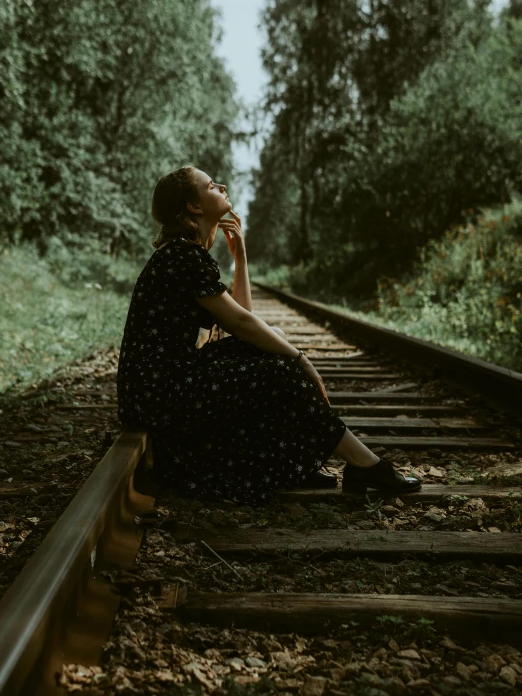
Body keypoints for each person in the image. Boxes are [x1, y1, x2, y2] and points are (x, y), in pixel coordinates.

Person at [116, 165, 421, 505]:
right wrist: (302, 360)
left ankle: (315, 462)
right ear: (194, 206)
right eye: (211, 185)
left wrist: (240, 255)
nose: (222, 186)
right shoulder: (183, 256)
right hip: (160, 395)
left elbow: (244, 319)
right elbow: (243, 324)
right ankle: (364, 462)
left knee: (271, 346)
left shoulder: (185, 253)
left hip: (161, 386)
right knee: (280, 367)